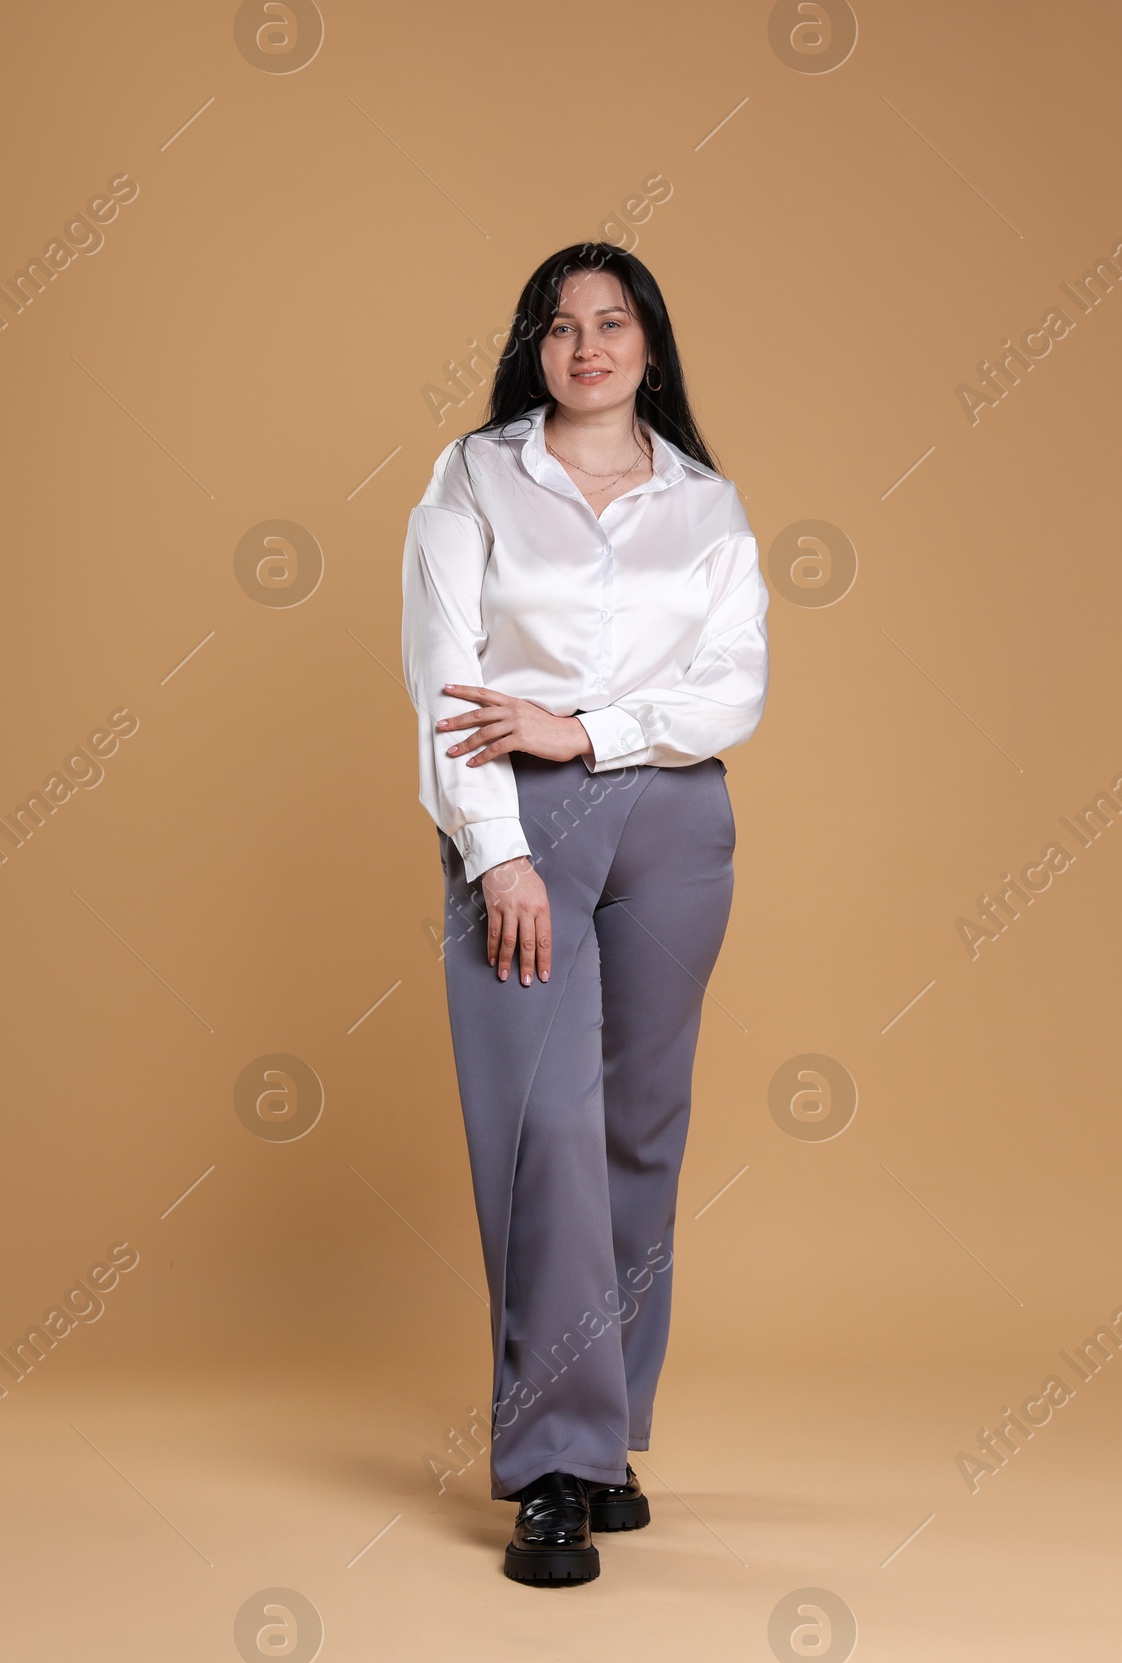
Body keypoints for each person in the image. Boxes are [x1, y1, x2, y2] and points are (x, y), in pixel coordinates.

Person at [400, 242, 770, 1585]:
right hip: (521, 819)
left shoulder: (705, 504)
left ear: (650, 348)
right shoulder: (474, 477)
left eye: (613, 324)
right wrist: (496, 854)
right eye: (561, 327)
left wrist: (595, 726)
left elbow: (734, 690)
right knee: (541, 1129)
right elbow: (444, 671)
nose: (588, 346)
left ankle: (609, 1438)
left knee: (636, 1132)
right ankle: (553, 1462)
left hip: (674, 820)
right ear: (533, 348)